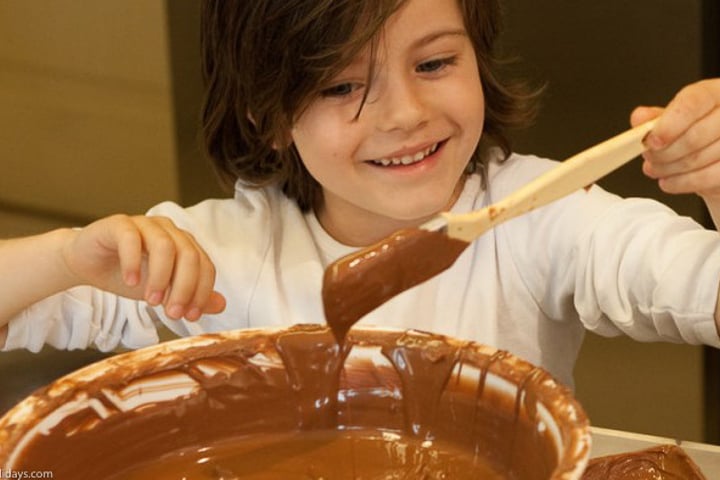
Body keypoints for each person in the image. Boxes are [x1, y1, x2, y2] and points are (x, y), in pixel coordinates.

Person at [1, 0, 720, 386]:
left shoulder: (543, 217)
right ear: (269, 115)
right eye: (343, 85)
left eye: (435, 61)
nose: (404, 114)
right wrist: (67, 256)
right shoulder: (217, 254)